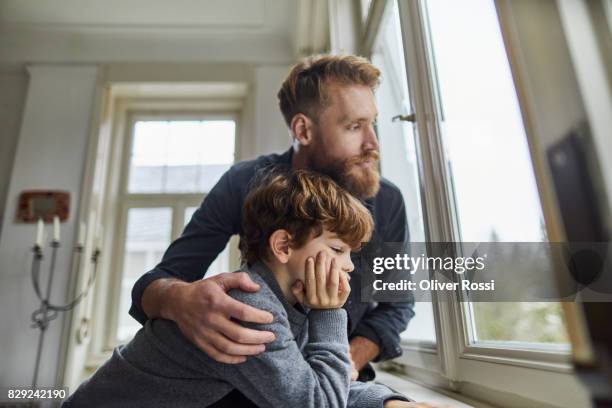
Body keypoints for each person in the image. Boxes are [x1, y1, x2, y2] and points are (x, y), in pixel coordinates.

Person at [131, 54, 415, 393]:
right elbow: (159, 280)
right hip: (256, 382)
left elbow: (397, 305)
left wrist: (345, 362)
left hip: (340, 383)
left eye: (373, 124)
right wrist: (178, 299)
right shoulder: (243, 181)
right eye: (354, 126)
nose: (373, 144)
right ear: (303, 129)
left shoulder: (388, 200)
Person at [64, 169, 421, 407]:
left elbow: (308, 383)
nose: (348, 266)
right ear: (283, 246)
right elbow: (317, 403)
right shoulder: (248, 310)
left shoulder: (282, 304)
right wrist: (330, 313)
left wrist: (385, 401)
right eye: (338, 250)